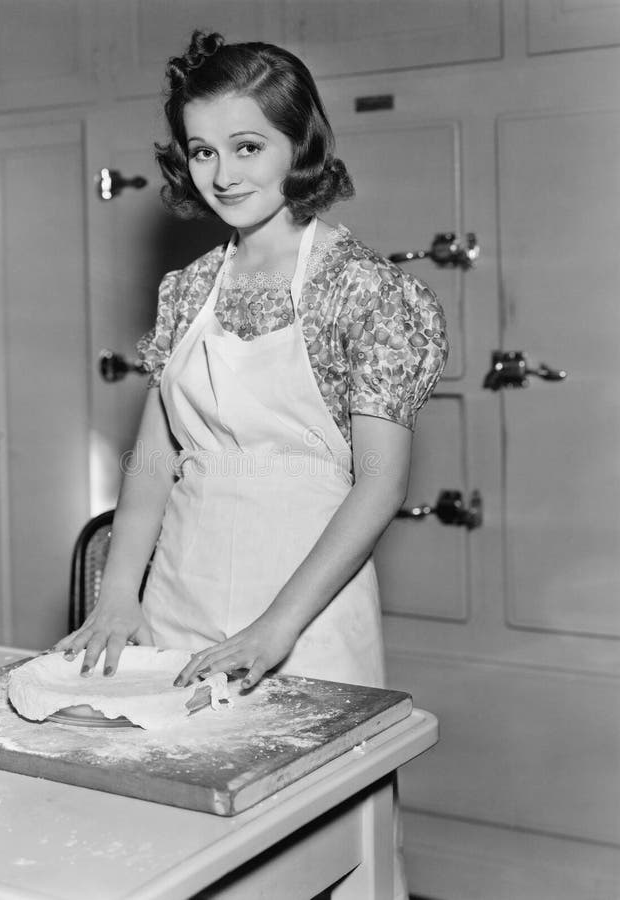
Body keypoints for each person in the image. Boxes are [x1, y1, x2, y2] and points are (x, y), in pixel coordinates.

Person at [56, 30, 447, 898]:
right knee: (178, 855)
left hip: (306, 618)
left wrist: (275, 630)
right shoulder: (188, 288)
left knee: (317, 856)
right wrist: (118, 595)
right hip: (178, 604)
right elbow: (155, 459)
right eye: (203, 150)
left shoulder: (366, 290)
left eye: (248, 146)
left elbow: (379, 485)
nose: (223, 174)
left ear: (297, 145)